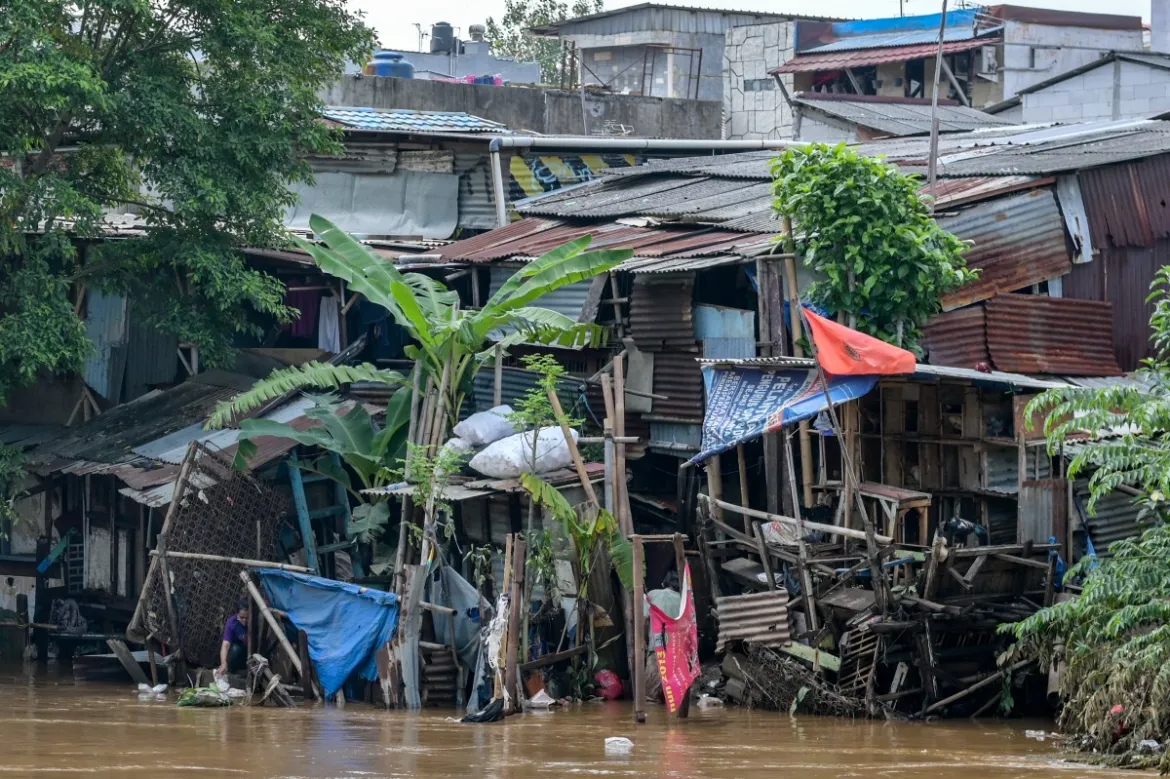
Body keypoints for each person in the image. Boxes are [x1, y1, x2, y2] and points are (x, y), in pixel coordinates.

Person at [218, 598, 250, 675]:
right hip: (238, 652)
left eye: (247, 618)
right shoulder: (232, 623)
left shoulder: (254, 623)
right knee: (235, 648)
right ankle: (231, 670)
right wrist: (223, 663)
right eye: (242, 618)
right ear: (237, 615)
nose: (244, 621)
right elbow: (225, 645)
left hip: (249, 654)